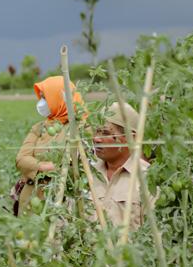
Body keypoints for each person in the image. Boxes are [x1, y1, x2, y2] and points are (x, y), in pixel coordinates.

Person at [14, 76, 82, 215]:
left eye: (46, 98)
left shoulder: (79, 129)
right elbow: (21, 159)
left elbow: (77, 165)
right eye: (41, 98)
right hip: (31, 200)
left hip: (60, 201)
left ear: (60, 98)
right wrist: (43, 166)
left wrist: (35, 166)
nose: (41, 103)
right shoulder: (39, 127)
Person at [90, 102, 152, 230]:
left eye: (105, 133)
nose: (96, 139)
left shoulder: (146, 179)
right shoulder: (87, 175)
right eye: (96, 132)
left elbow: (154, 234)